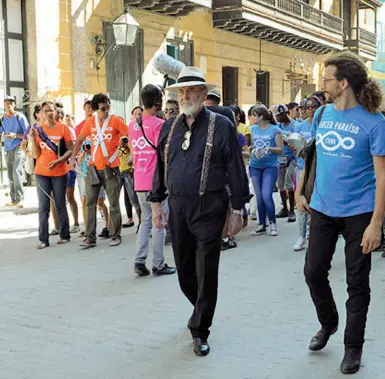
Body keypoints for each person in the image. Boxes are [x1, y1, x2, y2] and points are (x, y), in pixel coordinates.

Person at [150, 67, 251, 356]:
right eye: (181, 91)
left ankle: (201, 328)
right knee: (183, 269)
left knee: (207, 269)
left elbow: (235, 167)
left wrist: (237, 209)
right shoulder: (169, 127)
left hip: (211, 208)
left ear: (203, 94)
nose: (185, 96)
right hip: (179, 207)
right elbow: (160, 168)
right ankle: (200, 307)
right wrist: (157, 203)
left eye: (191, 91)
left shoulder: (221, 125)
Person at [297, 51, 385, 374]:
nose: (323, 84)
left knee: (356, 283)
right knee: (313, 272)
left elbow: (382, 176)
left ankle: (353, 347)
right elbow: (314, 154)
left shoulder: (375, 122)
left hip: (359, 214)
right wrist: (302, 187)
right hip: (322, 208)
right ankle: (329, 322)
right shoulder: (322, 115)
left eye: (327, 79)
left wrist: (376, 223)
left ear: (343, 83)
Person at [128, 84, 176, 276]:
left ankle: (139, 260)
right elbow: (165, 152)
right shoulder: (159, 125)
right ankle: (158, 263)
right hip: (156, 182)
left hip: (139, 180)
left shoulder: (133, 125)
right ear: (158, 101)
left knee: (145, 222)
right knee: (159, 223)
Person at [70, 93, 127, 248]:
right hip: (93, 168)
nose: (105, 106)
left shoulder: (115, 120)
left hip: (111, 168)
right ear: (96, 107)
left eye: (107, 102)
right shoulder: (90, 122)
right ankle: (90, 237)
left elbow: (129, 135)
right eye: (102, 103)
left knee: (113, 202)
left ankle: (115, 234)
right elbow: (80, 139)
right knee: (90, 203)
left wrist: (128, 150)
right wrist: (72, 159)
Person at [29, 101, 73, 249]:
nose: (48, 113)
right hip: (41, 172)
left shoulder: (63, 128)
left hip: (60, 172)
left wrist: (59, 160)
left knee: (60, 204)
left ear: (56, 112)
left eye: (51, 110)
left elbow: (70, 149)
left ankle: (64, 235)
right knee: (43, 207)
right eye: (45, 110)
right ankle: (43, 239)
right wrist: (32, 139)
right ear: (41, 113)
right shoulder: (38, 130)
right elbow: (36, 154)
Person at [292, 96, 322, 251]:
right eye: (307, 107)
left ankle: (313, 233)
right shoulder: (300, 126)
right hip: (302, 167)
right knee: (300, 202)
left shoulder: (322, 125)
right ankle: (301, 235)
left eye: (313, 106)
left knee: (315, 203)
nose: (310, 109)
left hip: (318, 169)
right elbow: (296, 149)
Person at [249, 104, 283, 236]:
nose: (251, 117)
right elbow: (250, 147)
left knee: (266, 195)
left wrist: (269, 149)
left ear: (261, 116)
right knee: (258, 196)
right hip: (255, 165)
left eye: (254, 115)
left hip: (271, 165)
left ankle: (272, 223)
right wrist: (253, 151)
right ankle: (261, 224)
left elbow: (280, 149)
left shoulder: (274, 130)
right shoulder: (252, 129)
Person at [0, 96, 29, 207]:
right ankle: (14, 199)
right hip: (7, 148)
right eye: (6, 103)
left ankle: (20, 199)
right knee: (10, 174)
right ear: (4, 105)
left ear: (14, 105)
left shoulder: (20, 117)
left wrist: (15, 135)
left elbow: (27, 134)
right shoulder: (2, 118)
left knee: (16, 172)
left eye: (11, 103)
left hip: (19, 146)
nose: (8, 105)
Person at [77, 140, 109, 238]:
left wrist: (91, 152)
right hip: (84, 175)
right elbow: (78, 161)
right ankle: (87, 228)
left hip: (96, 173)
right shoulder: (84, 142)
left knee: (99, 201)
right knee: (84, 202)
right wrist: (82, 155)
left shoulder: (97, 139)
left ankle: (108, 225)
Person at [273, 104, 297, 223]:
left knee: (289, 183)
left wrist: (286, 140)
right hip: (280, 158)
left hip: (292, 158)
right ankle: (285, 208)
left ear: (284, 114)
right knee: (280, 184)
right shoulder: (278, 126)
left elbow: (296, 144)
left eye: (279, 115)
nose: (277, 118)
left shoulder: (294, 126)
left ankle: (292, 210)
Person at [118, 135, 142, 228]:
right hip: (119, 172)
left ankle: (141, 222)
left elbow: (133, 158)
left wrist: (128, 146)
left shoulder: (131, 145)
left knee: (133, 199)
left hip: (129, 172)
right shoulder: (117, 146)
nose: (123, 141)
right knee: (116, 199)